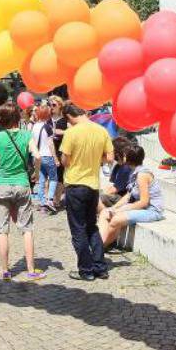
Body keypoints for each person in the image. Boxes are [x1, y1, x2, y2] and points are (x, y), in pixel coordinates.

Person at [59, 103, 114, 281]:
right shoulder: (101, 130)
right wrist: (96, 160)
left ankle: (86, 270)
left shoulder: (71, 133)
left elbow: (65, 161)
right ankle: (100, 267)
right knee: (92, 227)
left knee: (78, 229)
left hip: (75, 184)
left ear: (69, 117)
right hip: (93, 185)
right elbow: (110, 158)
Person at [0, 103, 42, 280]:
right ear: (18, 118)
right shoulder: (27, 135)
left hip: (2, 184)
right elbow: (38, 156)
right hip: (22, 184)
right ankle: (31, 269)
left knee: (3, 230)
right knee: (27, 229)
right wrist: (35, 172)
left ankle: (5, 271)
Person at [99, 146, 164, 248]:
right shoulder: (135, 172)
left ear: (129, 158)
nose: (123, 156)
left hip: (152, 211)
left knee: (116, 219)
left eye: (125, 155)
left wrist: (123, 209)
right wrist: (114, 207)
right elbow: (128, 195)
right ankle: (100, 243)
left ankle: (101, 247)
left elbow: (144, 202)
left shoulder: (142, 175)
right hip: (142, 208)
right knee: (104, 212)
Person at [30, 105, 58, 213]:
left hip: (37, 156)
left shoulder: (34, 126)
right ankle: (50, 200)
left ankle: (42, 204)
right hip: (48, 155)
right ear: (47, 114)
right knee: (53, 178)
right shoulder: (48, 127)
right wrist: (55, 157)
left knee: (41, 180)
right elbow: (50, 143)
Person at [49, 95, 68, 208]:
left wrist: (56, 131)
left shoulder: (65, 120)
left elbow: (71, 131)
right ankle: (48, 200)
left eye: (54, 105)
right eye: (50, 105)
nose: (51, 107)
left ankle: (56, 200)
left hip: (60, 150)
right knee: (48, 176)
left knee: (60, 175)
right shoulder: (48, 119)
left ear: (60, 105)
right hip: (47, 150)